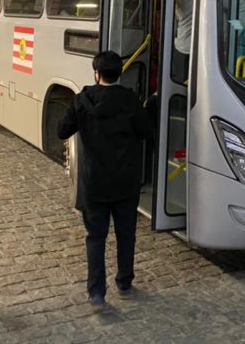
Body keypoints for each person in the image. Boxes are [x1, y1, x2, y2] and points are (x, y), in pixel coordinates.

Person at [57, 51, 150, 309]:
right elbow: (146, 132)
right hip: (125, 182)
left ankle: (97, 292)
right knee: (126, 234)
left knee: (95, 238)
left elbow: (62, 131)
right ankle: (124, 281)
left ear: (96, 74)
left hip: (94, 182)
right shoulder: (130, 101)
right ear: (119, 73)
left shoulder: (81, 100)